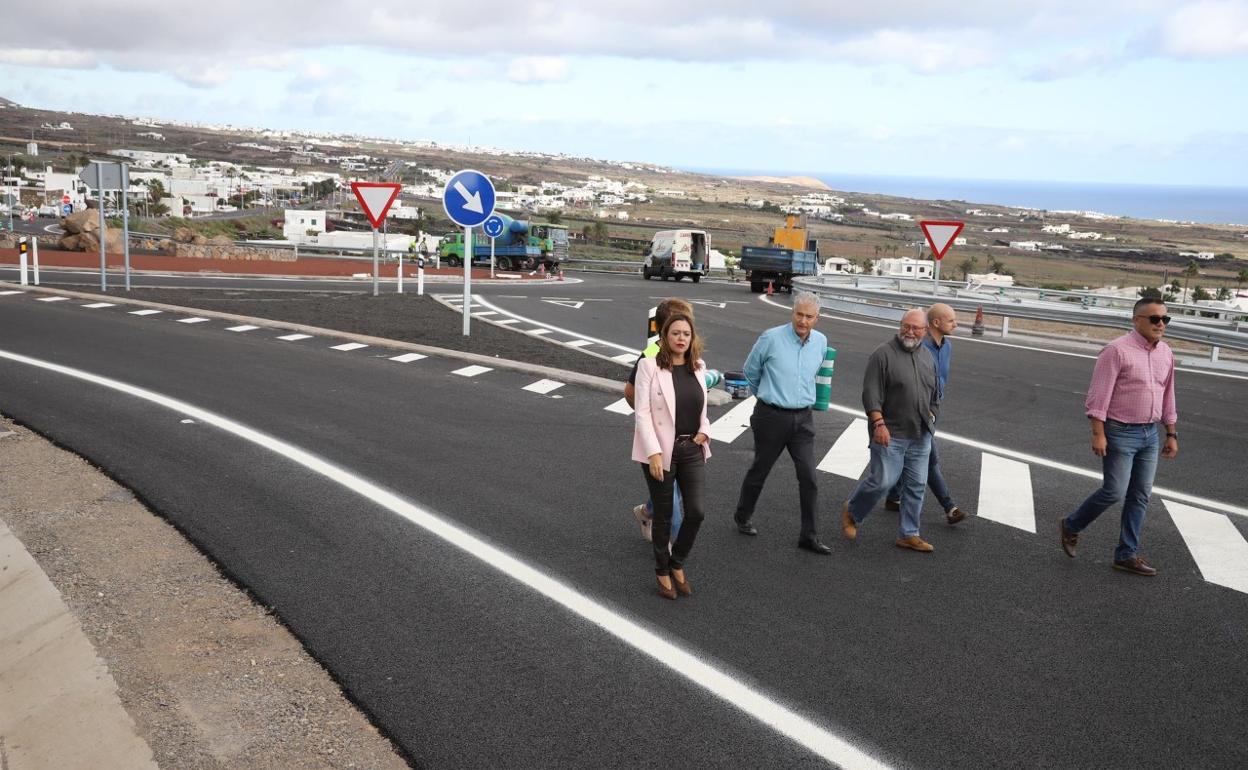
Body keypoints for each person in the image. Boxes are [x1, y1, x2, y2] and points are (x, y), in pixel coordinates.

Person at [1058, 298, 1179, 576]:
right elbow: (1098, 396)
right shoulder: (1116, 350)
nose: (1161, 324)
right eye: (1154, 319)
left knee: (1140, 495)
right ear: (1136, 320)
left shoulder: (1166, 353)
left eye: (1165, 319)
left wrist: (1170, 432)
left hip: (1150, 433)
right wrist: (1098, 433)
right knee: (1115, 491)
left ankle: (1126, 554)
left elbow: (1168, 394)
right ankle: (1071, 525)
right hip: (1119, 431)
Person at [732, 291, 832, 555]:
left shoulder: (820, 342)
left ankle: (809, 536)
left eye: (809, 316)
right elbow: (751, 370)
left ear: (817, 318)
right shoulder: (771, 338)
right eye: (799, 314)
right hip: (771, 416)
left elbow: (815, 372)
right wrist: (768, 397)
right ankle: (742, 516)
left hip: (803, 419)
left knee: (809, 477)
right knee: (760, 470)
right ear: (792, 313)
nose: (803, 320)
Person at [841, 308, 941, 552]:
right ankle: (852, 511)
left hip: (920, 434)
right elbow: (871, 393)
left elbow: (935, 393)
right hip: (890, 433)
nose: (909, 331)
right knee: (883, 482)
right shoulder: (882, 355)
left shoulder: (927, 356)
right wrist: (878, 424)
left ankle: (908, 534)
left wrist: (933, 413)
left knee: (916, 486)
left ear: (925, 331)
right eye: (906, 326)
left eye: (916, 328)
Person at [632, 312, 712, 599]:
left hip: (691, 447)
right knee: (664, 515)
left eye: (686, 334)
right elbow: (641, 412)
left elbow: (700, 406)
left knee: (697, 512)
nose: (681, 338)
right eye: (676, 333)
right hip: (660, 451)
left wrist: (704, 429)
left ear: (692, 339)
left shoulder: (698, 366)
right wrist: (652, 452)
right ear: (665, 337)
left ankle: (677, 561)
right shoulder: (649, 366)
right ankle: (662, 569)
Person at [884, 303, 969, 524]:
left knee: (910, 456)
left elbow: (940, 381)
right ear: (935, 323)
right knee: (929, 458)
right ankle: (949, 507)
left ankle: (893, 496)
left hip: (933, 411)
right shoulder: (918, 349)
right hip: (914, 413)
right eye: (951, 320)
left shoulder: (947, 347)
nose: (956, 324)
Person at [625, 298, 695, 543]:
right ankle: (669, 563)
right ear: (666, 329)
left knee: (669, 489)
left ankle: (646, 513)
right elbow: (630, 392)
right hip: (659, 439)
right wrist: (650, 415)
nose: (685, 333)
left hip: (684, 441)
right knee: (674, 510)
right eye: (679, 328)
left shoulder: (687, 351)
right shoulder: (651, 354)